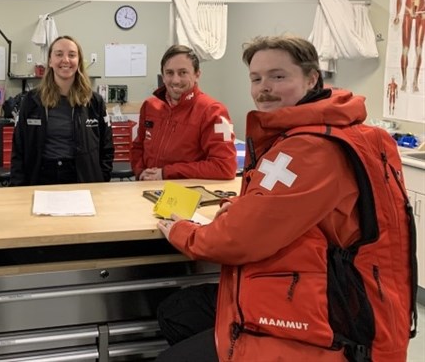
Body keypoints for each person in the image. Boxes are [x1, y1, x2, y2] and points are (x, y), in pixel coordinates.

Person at [156, 36, 414, 362]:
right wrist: (243, 207)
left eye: (278, 76)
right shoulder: (323, 132)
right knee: (179, 309)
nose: (264, 87)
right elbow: (301, 209)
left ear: (311, 79)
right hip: (318, 286)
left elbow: (237, 240)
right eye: (256, 78)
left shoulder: (311, 148)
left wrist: (182, 230)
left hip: (331, 316)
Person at [10, 35, 113, 185]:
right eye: (59, 54)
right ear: (50, 61)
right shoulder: (31, 100)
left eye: (72, 55)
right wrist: (18, 185)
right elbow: (18, 148)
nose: (65, 60)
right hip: (40, 177)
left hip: (83, 178)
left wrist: (101, 179)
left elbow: (107, 147)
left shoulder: (94, 102)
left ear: (78, 62)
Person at [131, 45, 236, 181]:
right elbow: (138, 146)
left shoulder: (213, 111)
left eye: (182, 73)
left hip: (187, 195)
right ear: (162, 76)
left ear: (197, 74)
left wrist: (166, 173)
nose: (175, 80)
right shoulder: (150, 106)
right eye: (169, 73)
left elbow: (224, 167)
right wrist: (140, 172)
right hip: (147, 189)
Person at [393, 0, 424, 93]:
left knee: (418, 49)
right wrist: (397, 14)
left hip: (422, 14)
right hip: (407, 12)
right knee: (405, 49)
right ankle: (404, 80)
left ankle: (415, 82)